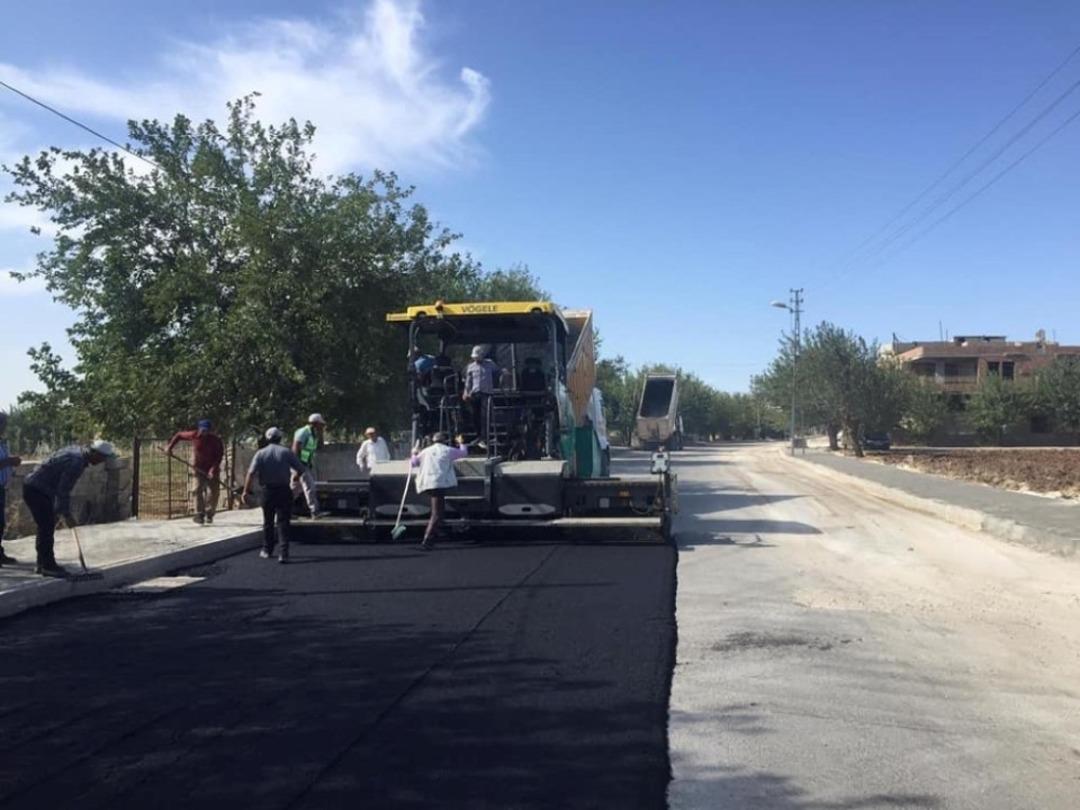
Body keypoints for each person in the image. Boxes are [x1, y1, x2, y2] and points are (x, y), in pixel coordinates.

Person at [22, 440, 116, 577]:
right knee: (46, 526)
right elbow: (63, 490)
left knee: (46, 526)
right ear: (95, 453)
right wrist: (66, 515)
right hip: (37, 490)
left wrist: (61, 510)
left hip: (38, 488)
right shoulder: (76, 463)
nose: (102, 462)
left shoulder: (76, 451)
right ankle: (47, 566)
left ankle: (42, 564)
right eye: (103, 458)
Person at [242, 427, 306, 564]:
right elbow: (300, 469)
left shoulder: (261, 453)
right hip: (284, 490)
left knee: (268, 522)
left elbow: (251, 473)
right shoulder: (286, 452)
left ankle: (267, 550)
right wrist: (295, 478)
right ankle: (284, 553)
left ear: (267, 438)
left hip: (268, 492)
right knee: (283, 522)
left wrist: (246, 491)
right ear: (280, 438)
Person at [411, 432, 468, 550]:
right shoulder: (448, 450)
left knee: (439, 512)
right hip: (439, 483)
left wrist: (414, 453)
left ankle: (433, 535)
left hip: (427, 483)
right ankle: (427, 539)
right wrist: (461, 443)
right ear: (444, 441)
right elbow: (464, 453)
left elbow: (414, 463)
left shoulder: (426, 451)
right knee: (436, 514)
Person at [166, 418, 225, 525]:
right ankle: (199, 514)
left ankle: (210, 513)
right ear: (199, 429)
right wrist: (170, 447)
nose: (204, 433)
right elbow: (179, 435)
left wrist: (213, 470)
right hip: (198, 468)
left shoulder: (216, 440)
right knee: (197, 490)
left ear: (210, 430)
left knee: (214, 493)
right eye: (202, 430)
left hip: (213, 468)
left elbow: (219, 456)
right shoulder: (193, 435)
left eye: (206, 430)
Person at [463, 346, 504, 447]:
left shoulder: (490, 364)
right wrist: (466, 392)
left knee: (485, 415)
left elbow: (498, 372)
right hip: (475, 393)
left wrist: (503, 376)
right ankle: (479, 436)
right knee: (475, 415)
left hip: (487, 393)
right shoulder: (471, 367)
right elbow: (468, 382)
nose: (476, 359)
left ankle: (485, 437)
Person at [291, 413, 327, 518]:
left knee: (294, 490)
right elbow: (295, 448)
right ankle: (315, 512)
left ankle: (284, 510)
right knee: (310, 487)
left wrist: (321, 434)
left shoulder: (313, 433)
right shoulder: (304, 432)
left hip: (305, 464)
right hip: (300, 465)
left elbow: (320, 447)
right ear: (315, 423)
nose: (322, 426)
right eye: (321, 424)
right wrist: (298, 468)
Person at [0, 412, 22, 565]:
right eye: (2, 423)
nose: (4, 427)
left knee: (1, 523)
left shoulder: (2, 442)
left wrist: (12, 465)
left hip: (2, 487)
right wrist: (9, 461)